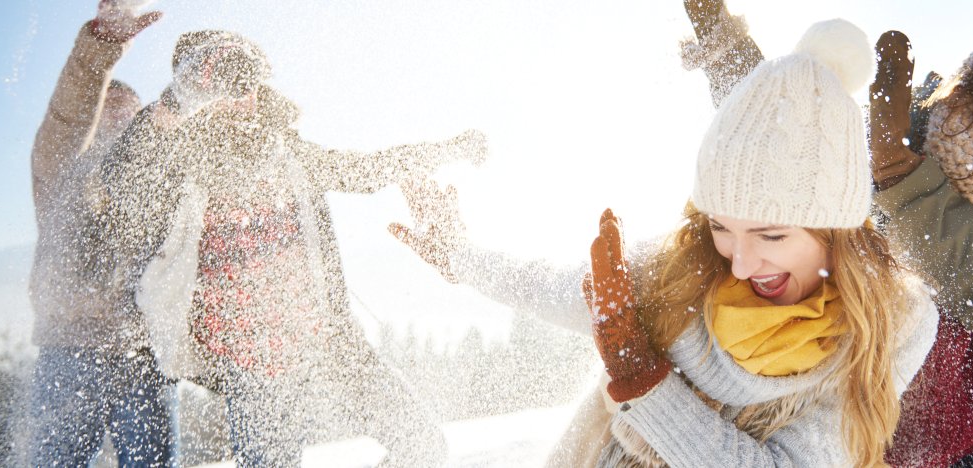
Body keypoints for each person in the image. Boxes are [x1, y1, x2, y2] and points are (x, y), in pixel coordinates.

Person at [392, 19, 938, 467]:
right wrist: (459, 256)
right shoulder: (682, 271)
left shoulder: (892, 323)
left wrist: (646, 385)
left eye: (771, 234)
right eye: (723, 227)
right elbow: (550, 285)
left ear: (835, 229)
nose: (742, 264)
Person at [682, 0, 973, 465]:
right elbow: (789, 159)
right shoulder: (926, 124)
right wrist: (725, 46)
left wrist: (902, 179)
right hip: (859, 421)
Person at [100, 30, 484, 467]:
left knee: (423, 446)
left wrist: (445, 150)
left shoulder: (289, 153)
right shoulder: (180, 166)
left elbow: (365, 169)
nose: (235, 94)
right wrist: (175, 102)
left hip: (329, 342)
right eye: (217, 82)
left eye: (243, 80)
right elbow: (120, 183)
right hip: (251, 366)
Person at [25, 2, 171, 466]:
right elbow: (69, 117)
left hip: (143, 355)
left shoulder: (152, 179)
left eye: (128, 119)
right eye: (107, 115)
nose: (117, 127)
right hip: (68, 350)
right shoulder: (61, 167)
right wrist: (101, 47)